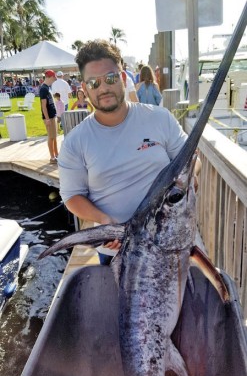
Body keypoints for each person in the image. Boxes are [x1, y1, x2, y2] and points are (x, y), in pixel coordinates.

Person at [58, 39, 201, 265]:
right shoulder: (75, 142)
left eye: (111, 78)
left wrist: (187, 181)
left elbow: (191, 159)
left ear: (123, 78)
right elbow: (72, 196)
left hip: (172, 243)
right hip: (117, 251)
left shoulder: (159, 118)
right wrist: (102, 220)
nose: (103, 88)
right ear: (84, 89)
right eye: (94, 83)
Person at [39, 70, 58, 164]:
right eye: (53, 78)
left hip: (52, 115)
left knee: (54, 136)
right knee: (51, 137)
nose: (54, 80)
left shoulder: (48, 87)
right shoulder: (43, 89)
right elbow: (43, 105)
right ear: (49, 77)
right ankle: (52, 157)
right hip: (48, 117)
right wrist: (47, 119)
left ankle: (57, 154)